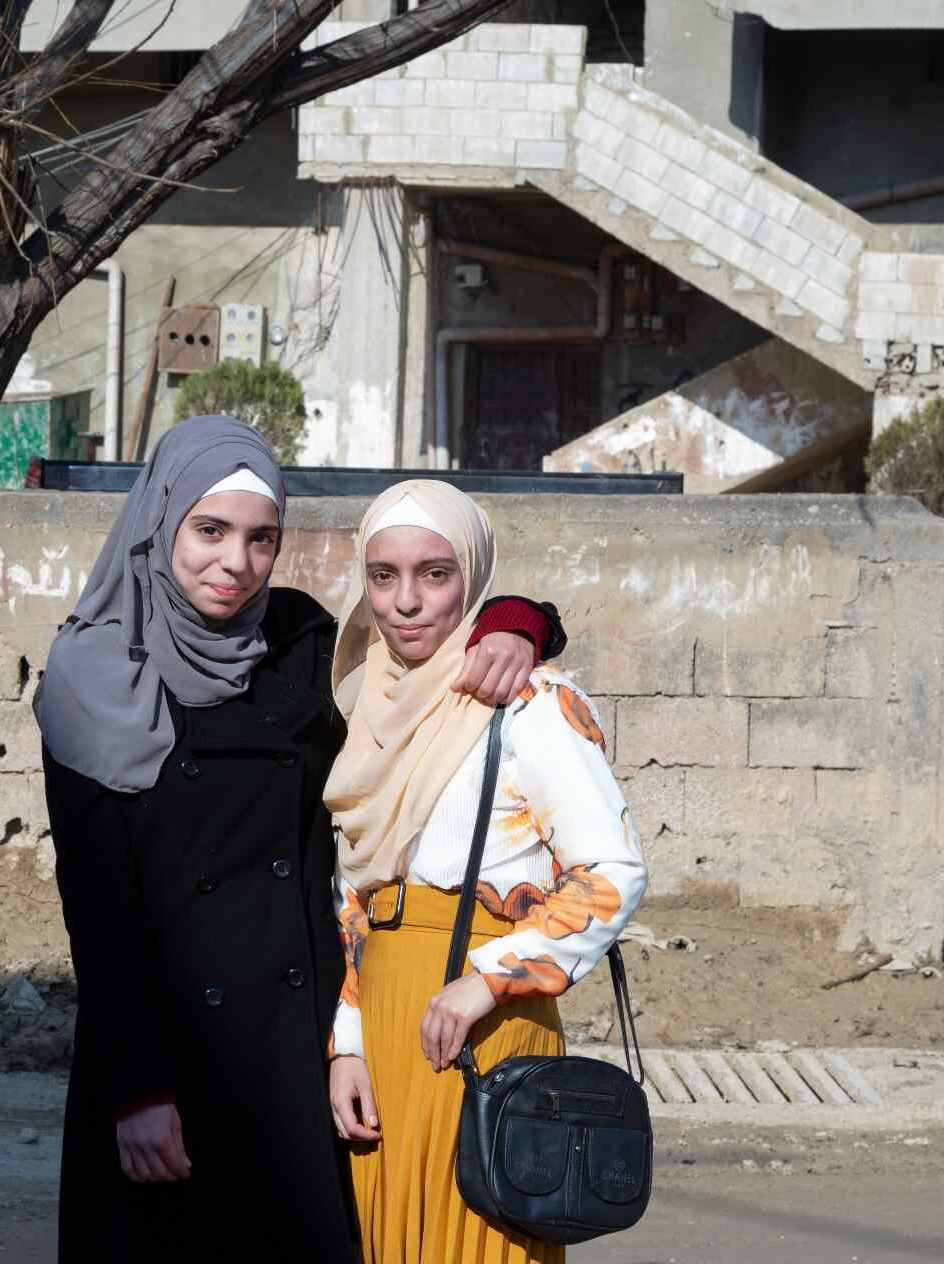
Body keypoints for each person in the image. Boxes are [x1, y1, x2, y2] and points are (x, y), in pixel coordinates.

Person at [34, 420, 561, 1262]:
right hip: (165, 1048)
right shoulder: (91, 676)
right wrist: (136, 1090)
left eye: (260, 538)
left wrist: (518, 621)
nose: (234, 563)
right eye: (210, 531)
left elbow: (419, 634)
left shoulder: (297, 640)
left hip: (294, 1045)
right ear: (160, 519)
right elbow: (98, 910)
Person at [323, 480, 648, 1264]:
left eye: (436, 574)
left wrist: (488, 979)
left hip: (485, 1025)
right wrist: (346, 1045)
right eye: (383, 575)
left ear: (472, 574)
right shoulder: (360, 700)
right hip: (385, 1026)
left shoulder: (528, 699)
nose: (406, 601)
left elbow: (611, 871)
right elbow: (354, 900)